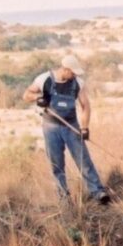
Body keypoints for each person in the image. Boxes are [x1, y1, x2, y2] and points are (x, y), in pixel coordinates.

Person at [22, 55, 110, 204]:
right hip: (51, 128)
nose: (74, 75)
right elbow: (26, 95)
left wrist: (84, 128)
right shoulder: (44, 79)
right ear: (65, 69)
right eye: (73, 72)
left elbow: (85, 106)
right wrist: (38, 98)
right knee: (57, 164)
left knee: (83, 160)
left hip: (71, 126)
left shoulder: (77, 83)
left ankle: (98, 192)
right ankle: (64, 198)